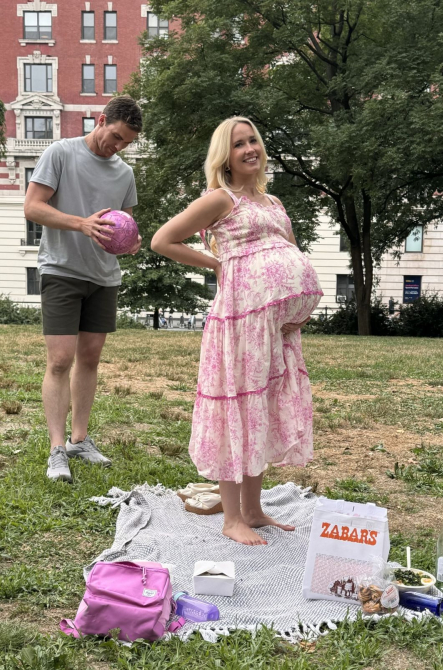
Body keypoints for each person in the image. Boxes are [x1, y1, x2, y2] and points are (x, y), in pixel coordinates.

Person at [151, 116, 323, 545]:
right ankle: (231, 518)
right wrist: (217, 264)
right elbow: (162, 240)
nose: (250, 149)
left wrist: (297, 306)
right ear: (224, 157)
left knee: (260, 407)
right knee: (235, 409)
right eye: (239, 144)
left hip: (274, 329)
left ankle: (253, 510)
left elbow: (288, 253)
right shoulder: (219, 199)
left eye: (254, 141)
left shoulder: (274, 203)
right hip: (238, 324)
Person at [24, 96, 143, 483]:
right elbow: (33, 207)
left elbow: (124, 225)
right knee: (60, 360)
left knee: (89, 359)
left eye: (126, 143)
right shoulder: (61, 153)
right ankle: (57, 450)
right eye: (116, 137)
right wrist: (81, 224)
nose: (118, 146)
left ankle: (79, 439)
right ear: (102, 120)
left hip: (103, 276)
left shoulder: (124, 174)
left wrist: (131, 242)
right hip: (61, 269)